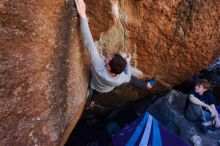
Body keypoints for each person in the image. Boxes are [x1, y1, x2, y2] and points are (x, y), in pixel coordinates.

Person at [75, 0, 156, 110]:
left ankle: (92, 101)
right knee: (130, 81)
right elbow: (128, 77)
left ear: (108, 67)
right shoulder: (121, 79)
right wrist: (126, 62)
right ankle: (148, 86)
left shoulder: (98, 65)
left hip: (95, 82)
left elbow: (89, 42)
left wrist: (83, 16)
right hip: (107, 88)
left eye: (108, 58)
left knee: (95, 87)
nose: (107, 55)